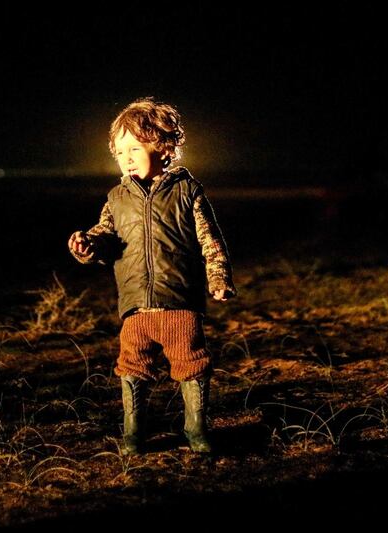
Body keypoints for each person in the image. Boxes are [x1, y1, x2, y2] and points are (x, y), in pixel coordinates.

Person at [68, 97, 236, 455]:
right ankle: (134, 432)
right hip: (135, 306)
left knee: (191, 363)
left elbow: (210, 240)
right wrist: (87, 247)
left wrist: (218, 279)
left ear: (163, 146)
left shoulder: (187, 191)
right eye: (119, 152)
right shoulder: (116, 198)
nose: (125, 158)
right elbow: (105, 236)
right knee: (132, 366)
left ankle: (196, 428)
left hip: (179, 303)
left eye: (134, 149)